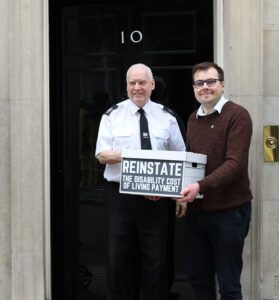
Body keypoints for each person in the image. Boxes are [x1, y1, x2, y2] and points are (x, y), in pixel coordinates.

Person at [95, 63, 186, 300]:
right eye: (132, 83)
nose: (137, 88)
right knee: (118, 260)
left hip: (156, 202)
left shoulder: (168, 117)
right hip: (120, 200)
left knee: (156, 261)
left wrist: (173, 192)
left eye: (142, 82)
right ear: (126, 86)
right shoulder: (112, 115)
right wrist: (135, 157)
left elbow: (181, 158)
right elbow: (102, 155)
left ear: (152, 85)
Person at [177, 62, 252, 300]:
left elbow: (235, 164)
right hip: (197, 213)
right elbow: (190, 162)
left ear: (222, 84)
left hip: (229, 213)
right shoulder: (192, 118)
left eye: (211, 82)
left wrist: (199, 186)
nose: (205, 87)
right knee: (199, 281)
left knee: (229, 284)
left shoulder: (237, 115)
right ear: (194, 88)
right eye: (199, 83)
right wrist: (181, 196)